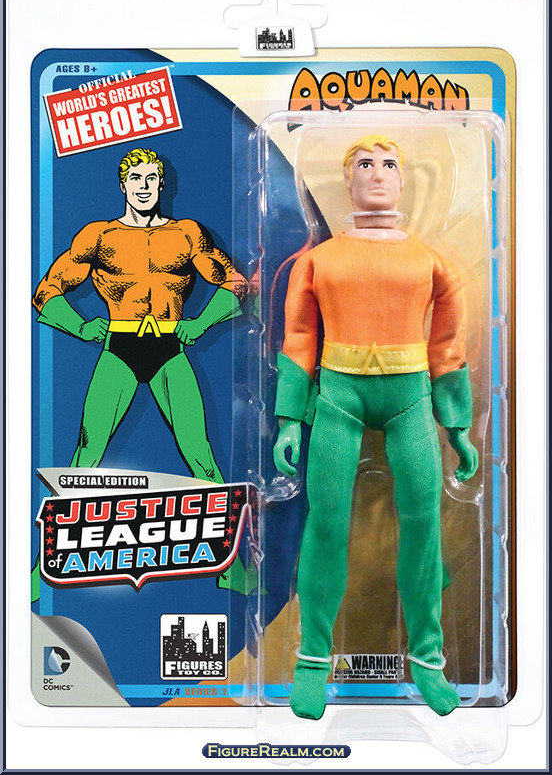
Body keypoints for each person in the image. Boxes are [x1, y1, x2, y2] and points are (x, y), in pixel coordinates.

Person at [273, 134, 478, 718]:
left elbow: (448, 345)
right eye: (365, 164)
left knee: (424, 522)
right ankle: (313, 659)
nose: (379, 173)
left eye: (390, 163)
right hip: (338, 395)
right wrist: (289, 419)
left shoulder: (429, 261)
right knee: (325, 523)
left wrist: (456, 425)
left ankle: (428, 660)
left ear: (404, 179)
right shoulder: (320, 260)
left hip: (410, 397)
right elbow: (299, 338)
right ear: (348, 179)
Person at [33, 147, 251, 592]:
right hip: (119, 347)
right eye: (137, 179)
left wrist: (200, 323)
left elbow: (236, 284)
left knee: (200, 454)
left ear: (162, 184)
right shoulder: (99, 236)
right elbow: (46, 292)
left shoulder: (187, 234)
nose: (145, 186)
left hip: (170, 346)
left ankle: (233, 570)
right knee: (86, 456)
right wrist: (80, 326)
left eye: (153, 178)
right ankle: (41, 572)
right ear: (123, 185)